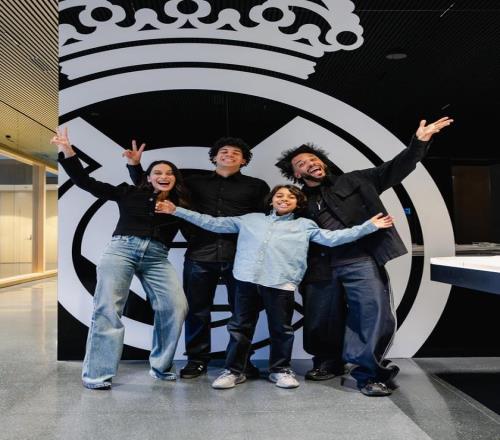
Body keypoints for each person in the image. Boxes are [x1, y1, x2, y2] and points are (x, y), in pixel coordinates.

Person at [274, 117, 453, 396]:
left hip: (361, 260)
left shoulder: (356, 179)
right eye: (301, 163)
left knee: (372, 314)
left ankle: (369, 374)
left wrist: (419, 142)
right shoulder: (298, 200)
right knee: (321, 318)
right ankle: (328, 362)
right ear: (296, 173)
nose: (310, 163)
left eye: (313, 158)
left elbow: (396, 167)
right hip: (319, 266)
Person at [155, 185, 394, 389]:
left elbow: (333, 238)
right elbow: (212, 223)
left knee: (281, 330)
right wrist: (176, 210)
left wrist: (369, 226)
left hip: (281, 283)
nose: (284, 199)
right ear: (271, 200)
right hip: (246, 280)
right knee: (239, 328)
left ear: (298, 204)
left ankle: (280, 370)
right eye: (280, 195)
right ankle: (234, 371)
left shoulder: (305, 225)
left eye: (291, 197)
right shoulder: (250, 219)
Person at [51, 128, 189, 390]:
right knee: (108, 309)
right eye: (158, 172)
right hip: (121, 250)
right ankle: (97, 375)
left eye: (169, 173)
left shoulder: (180, 204)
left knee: (175, 306)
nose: (164, 176)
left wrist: (176, 209)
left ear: (176, 179)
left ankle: (161, 366)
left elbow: (199, 223)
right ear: (148, 177)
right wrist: (68, 151)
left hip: (157, 257)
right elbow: (85, 182)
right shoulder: (129, 192)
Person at [125, 138, 270, 379]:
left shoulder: (257, 186)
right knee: (196, 311)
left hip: (242, 256)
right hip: (200, 253)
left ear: (244, 160)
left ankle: (241, 362)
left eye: (236, 153)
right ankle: (197, 360)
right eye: (224, 151)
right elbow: (155, 187)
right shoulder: (194, 183)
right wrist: (135, 167)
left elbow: (264, 220)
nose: (229, 155)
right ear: (214, 157)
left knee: (243, 312)